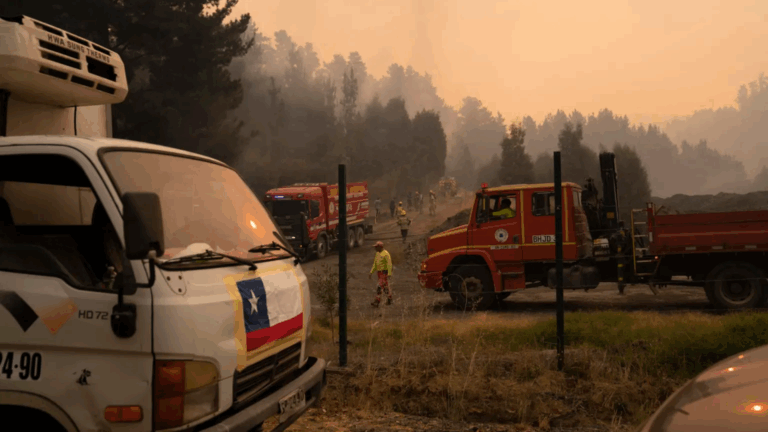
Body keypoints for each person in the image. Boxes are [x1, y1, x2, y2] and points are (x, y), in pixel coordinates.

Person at [369, 241, 393, 306]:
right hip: (379, 273)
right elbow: (375, 264)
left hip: (384, 272)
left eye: (376, 247)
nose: (375, 248)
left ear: (380, 247)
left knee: (379, 287)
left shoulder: (386, 254)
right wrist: (371, 272)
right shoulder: (377, 254)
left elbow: (389, 264)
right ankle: (389, 299)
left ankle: (377, 301)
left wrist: (389, 273)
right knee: (385, 287)